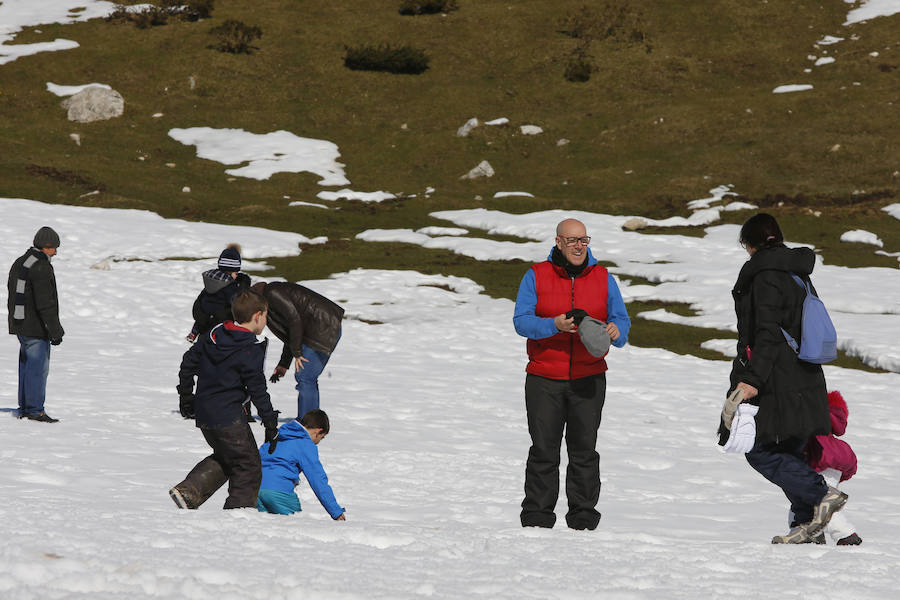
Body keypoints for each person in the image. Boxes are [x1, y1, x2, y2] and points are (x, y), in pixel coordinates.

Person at [721, 213, 847, 544]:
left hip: (779, 381)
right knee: (791, 451)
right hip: (807, 376)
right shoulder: (796, 270)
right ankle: (809, 527)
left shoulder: (765, 275)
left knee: (759, 449)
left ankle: (821, 497)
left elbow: (766, 335)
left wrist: (752, 380)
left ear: (750, 244)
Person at [513, 218, 630, 530]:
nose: (580, 246)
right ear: (559, 242)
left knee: (584, 451)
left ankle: (582, 518)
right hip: (543, 378)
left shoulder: (604, 277)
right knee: (543, 450)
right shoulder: (536, 275)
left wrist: (617, 331)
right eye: (573, 240)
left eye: (584, 240)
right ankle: (537, 517)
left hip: (589, 378)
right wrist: (554, 325)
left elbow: (621, 322)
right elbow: (521, 321)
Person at [169, 291, 279, 510]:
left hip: (205, 412)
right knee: (248, 466)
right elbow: (257, 389)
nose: (266, 321)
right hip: (228, 416)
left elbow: (188, 362)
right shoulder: (250, 347)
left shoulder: (215, 334)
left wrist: (187, 398)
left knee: (230, 457)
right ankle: (238, 515)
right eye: (266, 316)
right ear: (257, 315)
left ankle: (189, 491)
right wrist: (270, 422)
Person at [250, 281, 344, 419]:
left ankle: (306, 422)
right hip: (318, 329)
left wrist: (297, 353)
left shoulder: (271, 293)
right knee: (307, 377)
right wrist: (284, 364)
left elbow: (294, 319)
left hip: (323, 327)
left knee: (305, 376)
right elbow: (290, 332)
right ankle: (311, 421)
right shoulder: (269, 302)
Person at [7, 226, 64, 423]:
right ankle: (35, 410)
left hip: (21, 324)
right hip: (35, 326)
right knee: (37, 369)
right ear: (46, 246)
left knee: (26, 366)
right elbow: (45, 303)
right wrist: (55, 331)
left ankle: (25, 407)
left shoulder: (22, 261)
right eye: (54, 247)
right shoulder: (40, 266)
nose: (56, 251)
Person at [792, 390, 862, 545]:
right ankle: (807, 534)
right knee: (807, 501)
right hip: (833, 459)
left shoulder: (811, 415)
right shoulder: (827, 419)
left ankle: (846, 534)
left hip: (819, 459)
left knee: (820, 502)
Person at [257, 408, 346, 520]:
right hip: (279, 493)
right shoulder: (305, 443)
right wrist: (335, 511)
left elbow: (262, 459)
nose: (318, 442)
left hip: (256, 491)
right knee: (295, 529)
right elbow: (317, 479)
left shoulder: (278, 435)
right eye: (321, 438)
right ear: (318, 431)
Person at [186, 245, 251, 342]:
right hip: (220, 325)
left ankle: (193, 332)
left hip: (204, 319)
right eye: (236, 273)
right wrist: (243, 287)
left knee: (202, 319)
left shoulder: (211, 281)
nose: (236, 276)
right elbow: (235, 301)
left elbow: (201, 298)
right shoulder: (230, 287)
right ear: (232, 271)